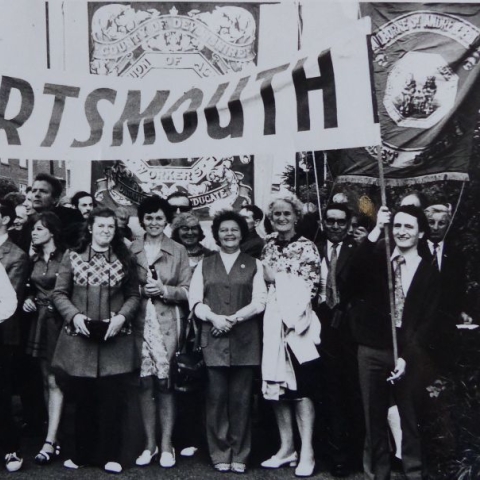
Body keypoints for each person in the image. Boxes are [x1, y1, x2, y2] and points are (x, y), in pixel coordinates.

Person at [348, 205, 440, 480]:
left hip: (408, 354)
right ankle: (379, 474)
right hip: (372, 349)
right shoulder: (378, 260)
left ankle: (413, 472)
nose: (401, 232)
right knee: (373, 419)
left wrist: (406, 357)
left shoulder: (428, 271)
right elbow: (351, 277)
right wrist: (376, 228)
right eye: (397, 226)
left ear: (421, 233)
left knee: (410, 419)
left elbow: (427, 321)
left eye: (409, 227)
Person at [52, 207, 140, 474]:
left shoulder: (125, 259)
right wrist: (74, 317)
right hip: (80, 339)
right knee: (83, 400)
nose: (105, 231)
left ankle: (111, 455)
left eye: (110, 227)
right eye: (100, 226)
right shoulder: (72, 256)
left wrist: (122, 318)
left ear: (116, 231)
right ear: (90, 228)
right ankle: (82, 455)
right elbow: (59, 294)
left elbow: (134, 295)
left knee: (113, 400)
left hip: (114, 340)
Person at [189, 210, 266, 474]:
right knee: (216, 398)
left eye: (234, 230)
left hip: (245, 339)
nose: (229, 234)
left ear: (242, 233)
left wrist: (233, 318)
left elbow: (260, 301)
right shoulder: (204, 264)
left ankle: (240, 453)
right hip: (213, 338)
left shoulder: (254, 264)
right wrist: (214, 318)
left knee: (242, 400)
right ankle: (220, 451)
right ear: (217, 234)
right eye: (224, 230)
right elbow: (195, 301)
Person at [260, 194, 321, 478]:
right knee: (277, 387)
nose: (281, 219)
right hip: (272, 324)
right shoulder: (268, 246)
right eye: (276, 215)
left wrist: (290, 316)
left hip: (298, 327)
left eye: (286, 214)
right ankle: (287, 448)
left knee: (301, 390)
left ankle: (306, 451)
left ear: (296, 216)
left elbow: (310, 288)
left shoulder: (307, 247)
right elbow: (263, 282)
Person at [130, 196, 191, 469]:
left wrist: (165, 291)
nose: (154, 222)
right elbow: (123, 289)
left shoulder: (178, 250)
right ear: (142, 220)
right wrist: (143, 291)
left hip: (168, 323)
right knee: (144, 383)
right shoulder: (131, 249)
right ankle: (149, 445)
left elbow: (189, 290)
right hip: (139, 323)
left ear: (166, 220)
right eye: (149, 217)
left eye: (159, 217)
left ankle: (167, 445)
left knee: (165, 384)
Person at [315, 203, 361, 477]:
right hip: (317, 325)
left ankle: (347, 455)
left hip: (347, 329)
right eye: (330, 221)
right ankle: (325, 451)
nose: (335, 226)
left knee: (347, 390)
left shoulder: (358, 251)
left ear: (348, 224)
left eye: (340, 222)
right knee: (322, 390)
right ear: (323, 223)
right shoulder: (313, 248)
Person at [23, 212, 65, 465]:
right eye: (33, 229)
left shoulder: (67, 256)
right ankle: (53, 437)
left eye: (39, 228)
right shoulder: (34, 258)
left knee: (56, 380)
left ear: (52, 230)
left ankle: (51, 439)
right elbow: (27, 287)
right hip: (39, 321)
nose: (34, 232)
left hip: (60, 321)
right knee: (46, 379)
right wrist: (28, 298)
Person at [0, 199, 29, 472]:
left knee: (3, 392)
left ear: (5, 220)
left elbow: (11, 298)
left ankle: (11, 447)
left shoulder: (16, 255)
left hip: (3, 332)